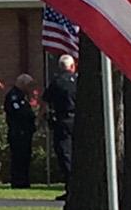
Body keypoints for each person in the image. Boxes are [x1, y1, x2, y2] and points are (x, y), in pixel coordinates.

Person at [43, 54, 78, 184]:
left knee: (64, 153)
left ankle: (70, 185)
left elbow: (45, 102)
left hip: (62, 121)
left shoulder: (56, 82)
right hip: (78, 120)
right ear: (73, 66)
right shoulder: (79, 81)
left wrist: (43, 118)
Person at [5, 72, 39, 188]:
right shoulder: (14, 96)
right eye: (28, 85)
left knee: (25, 157)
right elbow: (18, 113)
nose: (30, 87)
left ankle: (24, 181)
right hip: (18, 133)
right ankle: (17, 182)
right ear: (22, 84)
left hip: (25, 133)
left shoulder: (23, 96)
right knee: (18, 158)